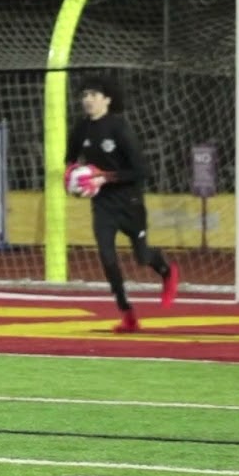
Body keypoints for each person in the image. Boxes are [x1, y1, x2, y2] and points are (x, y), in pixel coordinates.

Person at [65, 76, 179, 332]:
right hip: (102, 204)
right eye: (85, 95)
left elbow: (141, 171)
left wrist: (105, 177)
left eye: (94, 95)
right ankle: (127, 314)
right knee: (107, 259)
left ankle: (166, 270)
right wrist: (73, 178)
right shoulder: (81, 129)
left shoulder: (119, 128)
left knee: (142, 257)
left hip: (129, 200)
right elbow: (71, 161)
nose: (88, 100)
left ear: (107, 99)